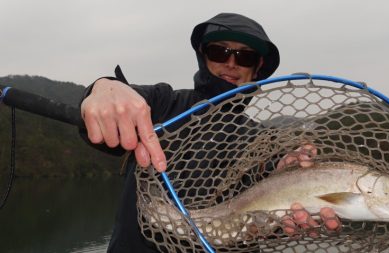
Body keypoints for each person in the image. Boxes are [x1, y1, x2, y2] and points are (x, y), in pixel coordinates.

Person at [80, 13, 340, 252]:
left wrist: (288, 181)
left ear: (257, 67)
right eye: (219, 52)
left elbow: (260, 225)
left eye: (244, 56)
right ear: (204, 56)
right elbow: (105, 119)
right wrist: (102, 88)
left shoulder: (264, 142)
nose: (231, 63)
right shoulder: (161, 103)